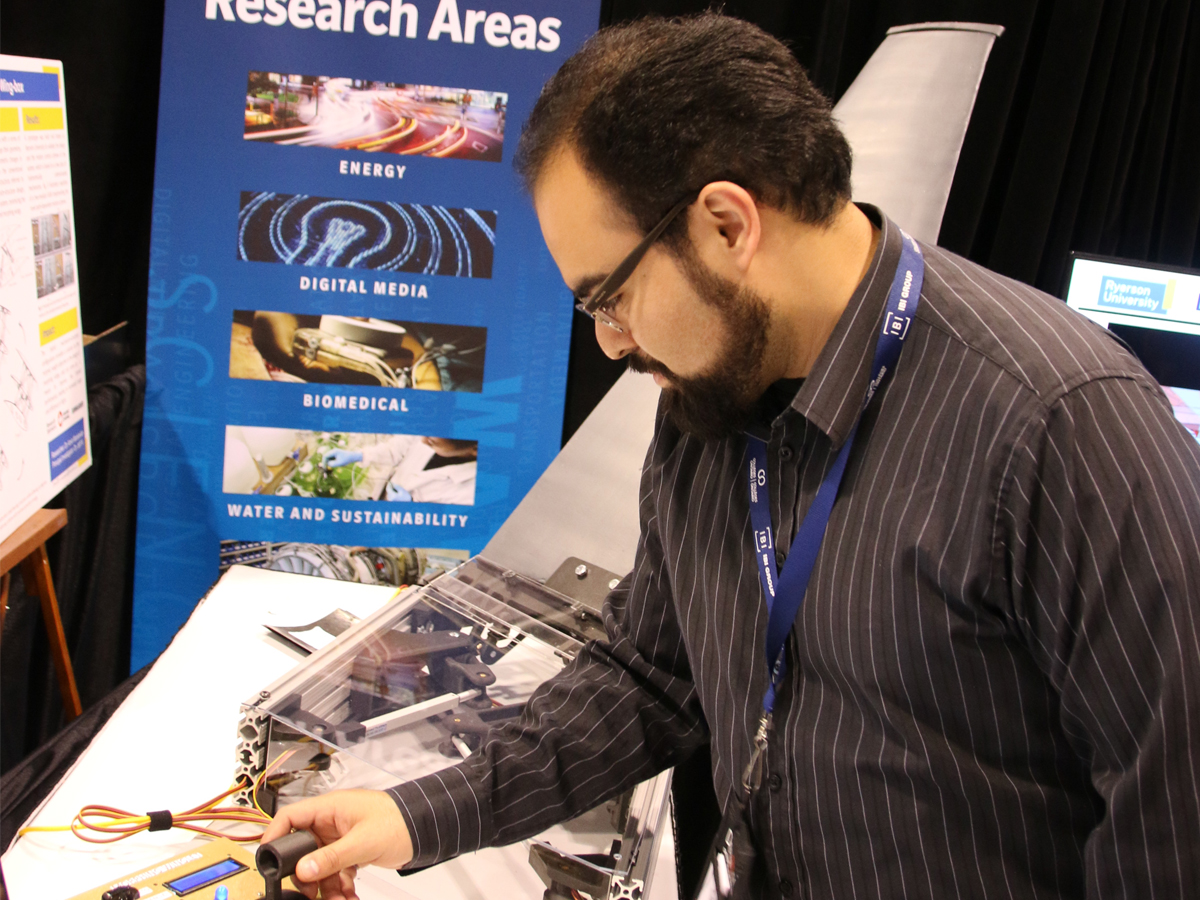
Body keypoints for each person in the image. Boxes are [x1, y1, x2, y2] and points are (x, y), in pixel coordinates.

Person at [263, 14, 1200, 900]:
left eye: (609, 295)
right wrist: (417, 814)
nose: (614, 343)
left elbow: (1172, 826)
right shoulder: (708, 395)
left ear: (726, 224)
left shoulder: (1060, 426)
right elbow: (651, 673)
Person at [323, 436, 477, 505]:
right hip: (384, 498)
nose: (423, 441)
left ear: (475, 449)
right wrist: (360, 455)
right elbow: (399, 446)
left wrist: (412, 507)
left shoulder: (472, 492)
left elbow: (444, 529)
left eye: (432, 442)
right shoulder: (434, 433)